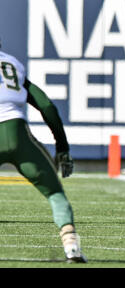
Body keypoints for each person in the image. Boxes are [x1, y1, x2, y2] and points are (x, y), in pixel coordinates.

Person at [0, 45, 87, 262]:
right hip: (20, 137)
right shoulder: (12, 64)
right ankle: (71, 246)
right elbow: (46, 105)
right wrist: (62, 147)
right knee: (55, 194)